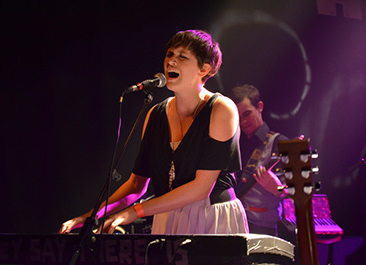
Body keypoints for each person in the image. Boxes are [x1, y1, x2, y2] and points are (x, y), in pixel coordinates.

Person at [60, 30, 249, 235]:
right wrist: (91, 216)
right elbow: (136, 184)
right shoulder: (155, 114)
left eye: (182, 56)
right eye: (169, 55)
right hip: (167, 215)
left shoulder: (221, 109)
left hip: (212, 216)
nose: (171, 62)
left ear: (204, 69)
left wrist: (134, 212)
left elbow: (201, 189)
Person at [231, 84, 288, 237]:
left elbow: (294, 194)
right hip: (233, 224)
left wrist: (278, 189)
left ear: (260, 107)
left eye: (247, 114)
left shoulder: (279, 143)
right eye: (239, 116)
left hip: (263, 228)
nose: (243, 121)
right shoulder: (235, 142)